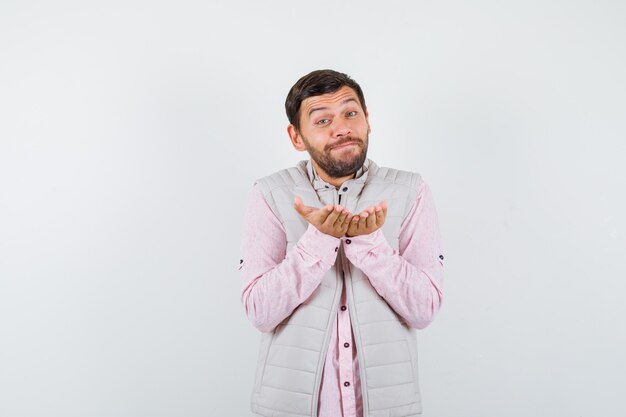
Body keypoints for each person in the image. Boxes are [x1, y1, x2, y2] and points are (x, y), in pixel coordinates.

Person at [239, 69, 444, 417]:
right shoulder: (270, 194)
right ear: (296, 137)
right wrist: (318, 241)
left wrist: (369, 245)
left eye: (351, 113)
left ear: (368, 120)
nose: (342, 128)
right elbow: (259, 312)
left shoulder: (411, 192)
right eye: (323, 120)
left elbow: (424, 309)